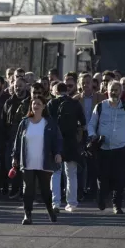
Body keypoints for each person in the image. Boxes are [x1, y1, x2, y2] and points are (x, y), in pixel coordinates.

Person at [88, 81, 125, 214]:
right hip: (104, 148)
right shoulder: (100, 107)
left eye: (117, 90)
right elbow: (91, 124)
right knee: (103, 177)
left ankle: (117, 205)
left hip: (121, 148)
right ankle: (101, 197)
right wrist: (93, 136)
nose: (114, 92)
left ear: (121, 92)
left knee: (119, 178)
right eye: (112, 90)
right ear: (108, 91)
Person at [12, 95, 61, 225]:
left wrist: (57, 153)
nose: (36, 106)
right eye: (34, 103)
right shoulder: (25, 122)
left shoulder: (49, 122)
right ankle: (27, 215)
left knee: (45, 189)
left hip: (44, 161)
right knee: (28, 189)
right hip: (27, 161)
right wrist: (15, 157)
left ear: (44, 106)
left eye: (39, 103)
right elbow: (17, 141)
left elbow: (57, 140)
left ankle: (50, 210)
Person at [48, 81, 86, 212]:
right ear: (67, 91)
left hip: (56, 142)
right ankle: (72, 203)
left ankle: (55, 203)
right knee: (71, 174)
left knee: (56, 173)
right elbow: (83, 123)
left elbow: (47, 123)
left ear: (55, 91)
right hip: (71, 142)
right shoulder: (75, 103)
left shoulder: (51, 103)